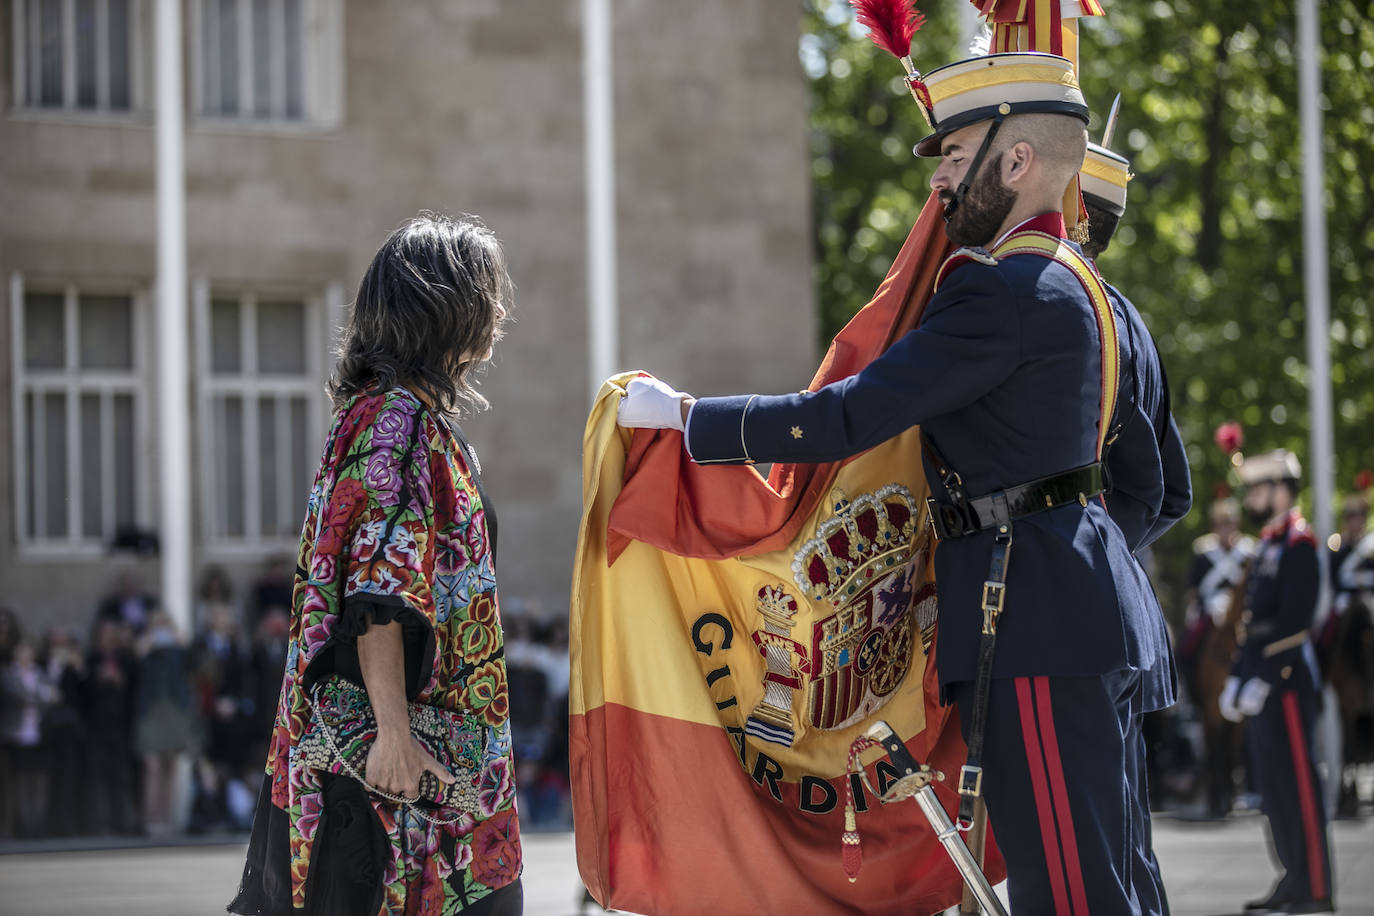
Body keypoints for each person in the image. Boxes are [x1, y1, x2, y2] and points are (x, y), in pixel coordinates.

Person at [619, 52, 1180, 913]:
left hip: (1028, 616)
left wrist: (692, 420)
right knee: (1112, 875)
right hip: (1079, 609)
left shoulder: (1001, 293)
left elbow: (849, 416)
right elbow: (1150, 489)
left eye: (957, 161)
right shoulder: (1087, 293)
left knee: (1067, 888)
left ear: (1017, 161)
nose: (943, 187)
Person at [230, 212, 522, 916]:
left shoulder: (398, 419)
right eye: (488, 293)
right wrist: (392, 734)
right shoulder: (395, 421)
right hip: (405, 767)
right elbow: (378, 589)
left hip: (437, 761)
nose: (500, 310)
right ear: (443, 305)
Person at [1080, 139, 1192, 913]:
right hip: (1119, 612)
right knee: (1127, 850)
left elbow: (1157, 488)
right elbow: (1167, 493)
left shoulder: (1084, 318)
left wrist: (1080, 551)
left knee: (1103, 858)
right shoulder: (1129, 319)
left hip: (1077, 611)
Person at [1220, 450, 1334, 913]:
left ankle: (1318, 890)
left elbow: (1294, 621)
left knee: (1300, 787)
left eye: (1259, 488)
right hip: (1262, 680)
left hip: (1285, 683)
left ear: (1282, 490)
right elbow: (1253, 622)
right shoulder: (1268, 544)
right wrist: (1234, 677)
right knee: (1274, 790)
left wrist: (1265, 677)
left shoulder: (1299, 543)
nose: (1252, 497)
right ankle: (1292, 876)